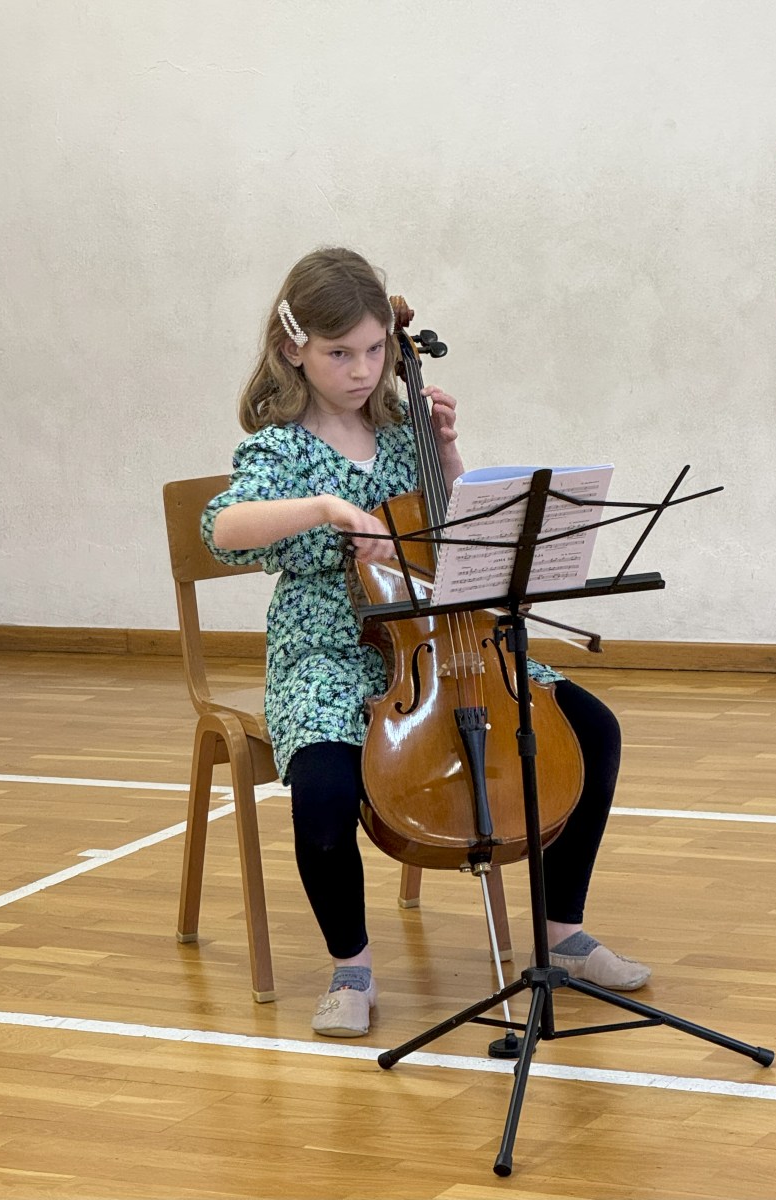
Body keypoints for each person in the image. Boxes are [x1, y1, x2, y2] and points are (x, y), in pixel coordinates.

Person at [202, 247, 650, 1038]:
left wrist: (445, 455)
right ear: (293, 349)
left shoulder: (404, 433)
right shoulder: (279, 449)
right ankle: (351, 965)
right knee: (325, 793)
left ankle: (562, 932)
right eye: (340, 353)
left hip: (442, 639)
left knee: (592, 729)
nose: (363, 370)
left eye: (376, 350)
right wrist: (327, 508)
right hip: (329, 649)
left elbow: (458, 539)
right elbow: (223, 528)